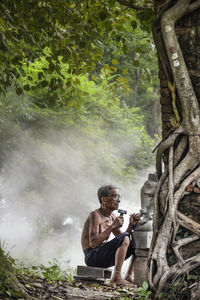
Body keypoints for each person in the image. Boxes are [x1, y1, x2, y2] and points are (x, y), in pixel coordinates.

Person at [81, 184, 140, 286]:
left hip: (103, 255)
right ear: (103, 200)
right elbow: (93, 243)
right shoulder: (95, 215)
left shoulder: (112, 216)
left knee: (136, 240)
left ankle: (129, 275)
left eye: (119, 197)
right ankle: (116, 277)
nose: (118, 200)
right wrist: (112, 226)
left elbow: (123, 239)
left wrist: (131, 225)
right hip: (92, 256)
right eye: (115, 197)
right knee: (125, 238)